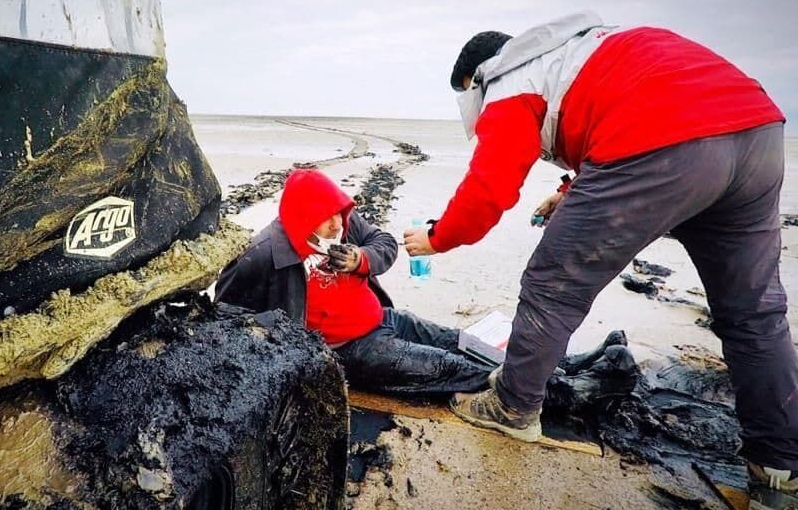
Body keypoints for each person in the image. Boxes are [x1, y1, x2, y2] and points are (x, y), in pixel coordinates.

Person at [401, 11, 793, 510]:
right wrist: (570, 191)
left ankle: (512, 406)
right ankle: (779, 474)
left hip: (669, 141)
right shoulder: (579, 51)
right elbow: (619, 108)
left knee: (553, 281)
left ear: (477, 77)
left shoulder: (506, 80)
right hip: (757, 131)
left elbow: (489, 188)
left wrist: (438, 238)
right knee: (753, 314)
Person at [215, 168, 636, 410]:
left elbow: (384, 244)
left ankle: (568, 363)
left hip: (383, 318)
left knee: (464, 342)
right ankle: (572, 392)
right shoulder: (264, 253)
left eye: (341, 216)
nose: (337, 226)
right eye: (326, 219)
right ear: (301, 217)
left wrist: (361, 260)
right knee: (448, 367)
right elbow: (225, 316)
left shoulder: (344, 222)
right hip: (348, 349)